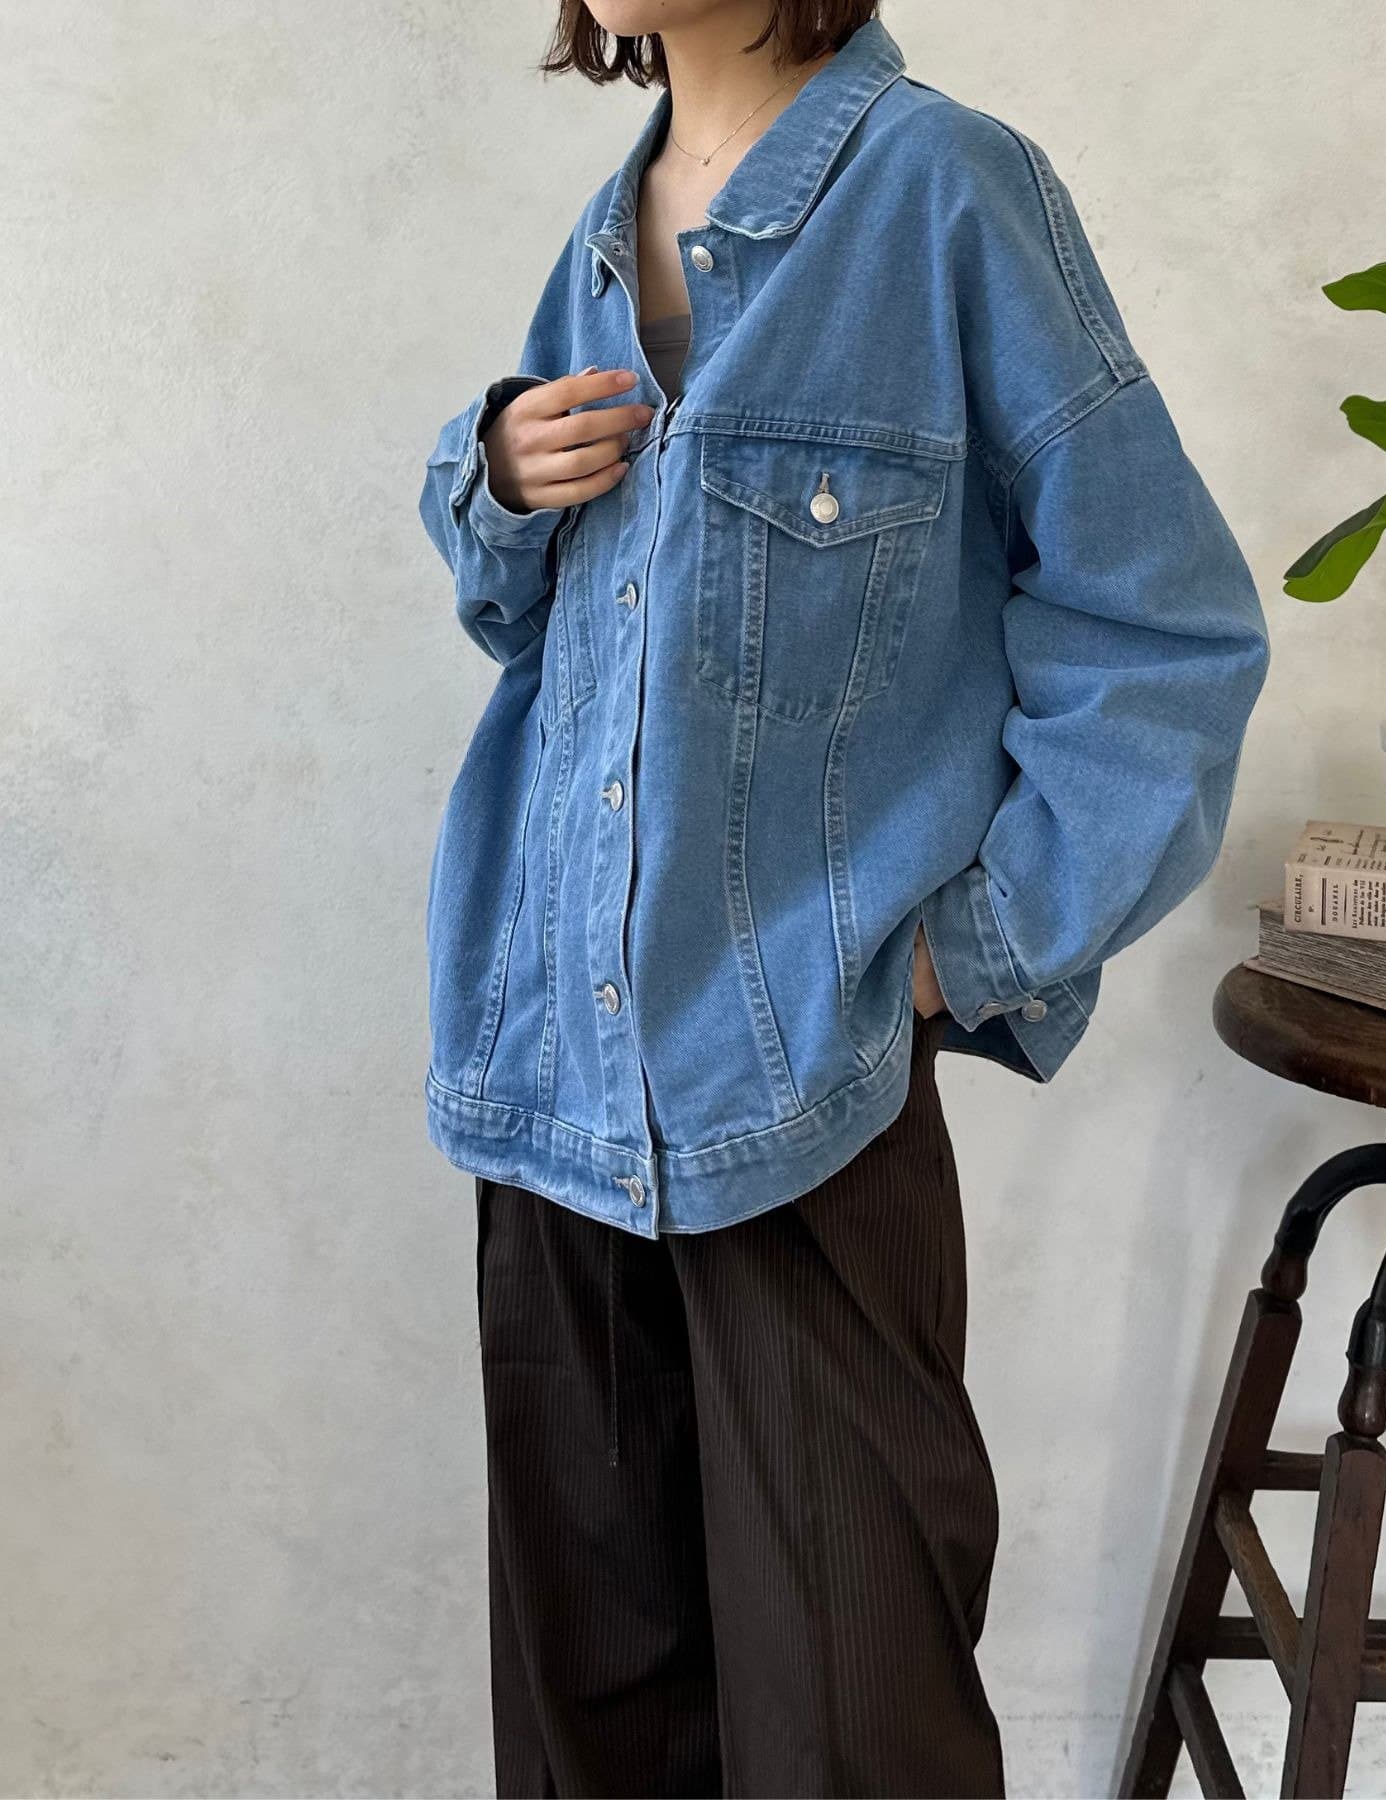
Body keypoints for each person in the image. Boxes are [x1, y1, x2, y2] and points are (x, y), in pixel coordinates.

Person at [417, 4, 1271, 1794]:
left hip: (802, 1096)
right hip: (552, 1079)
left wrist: (964, 956)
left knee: (851, 1723)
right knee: (587, 1727)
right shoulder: (602, 237)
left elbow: (1166, 631)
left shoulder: (948, 190)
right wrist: (491, 483)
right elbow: (547, 629)